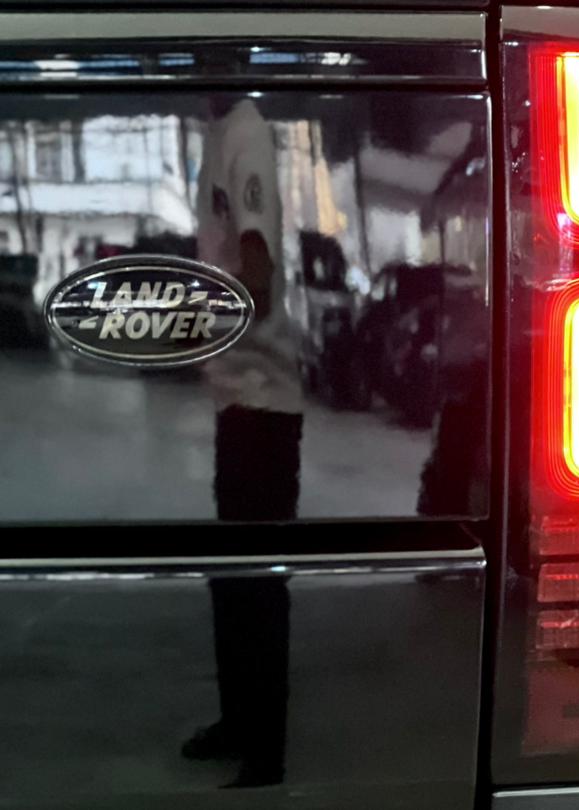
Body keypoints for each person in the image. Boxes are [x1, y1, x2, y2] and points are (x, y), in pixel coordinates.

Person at [181, 97, 300, 788]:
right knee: (231, 576)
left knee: (257, 582)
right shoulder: (219, 130)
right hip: (237, 399)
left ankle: (265, 749)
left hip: (263, 402)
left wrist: (193, 323)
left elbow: (256, 273)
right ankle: (237, 720)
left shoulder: (246, 136)